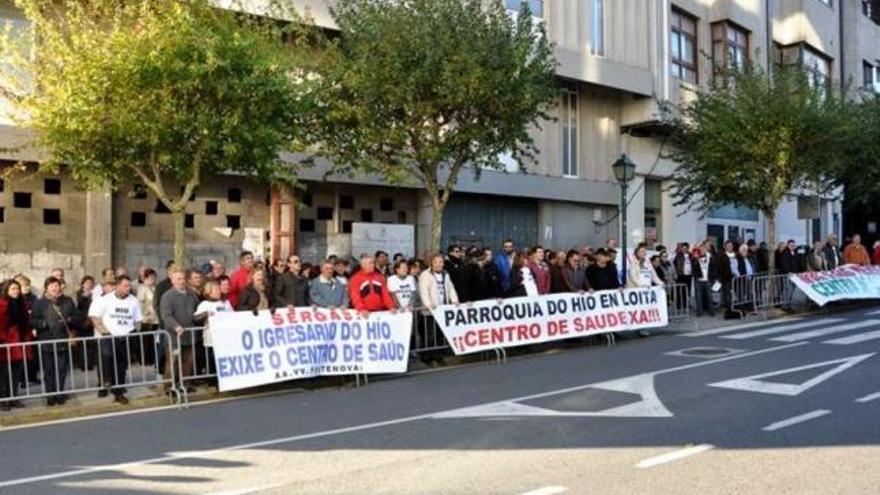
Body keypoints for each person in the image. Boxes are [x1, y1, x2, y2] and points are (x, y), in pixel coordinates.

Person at [88, 275, 141, 405]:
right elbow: (95, 317)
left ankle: (119, 391)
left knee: (122, 366)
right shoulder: (105, 299)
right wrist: (105, 332)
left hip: (125, 336)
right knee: (107, 358)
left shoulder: (133, 301)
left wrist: (134, 331)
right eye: (125, 286)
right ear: (117, 286)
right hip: (108, 335)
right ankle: (106, 381)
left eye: (129, 286)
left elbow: (138, 319)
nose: (128, 288)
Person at [31, 277, 82, 406]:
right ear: (46, 288)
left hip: (62, 341)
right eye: (52, 286)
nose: (55, 288)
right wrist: (44, 323)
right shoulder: (39, 303)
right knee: (48, 370)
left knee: (61, 369)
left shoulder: (67, 301)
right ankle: (50, 395)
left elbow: (78, 316)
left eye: (57, 285)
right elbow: (32, 321)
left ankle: (59, 393)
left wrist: (70, 319)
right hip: (47, 341)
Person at [159, 266, 200, 391]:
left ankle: (185, 384)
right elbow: (166, 315)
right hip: (174, 336)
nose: (181, 281)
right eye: (178, 279)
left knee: (187, 362)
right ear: (172, 280)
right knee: (172, 363)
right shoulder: (167, 296)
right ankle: (169, 387)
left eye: (183, 278)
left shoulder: (192, 294)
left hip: (189, 333)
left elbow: (197, 311)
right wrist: (176, 326)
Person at [193, 280, 233, 382]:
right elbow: (195, 317)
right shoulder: (205, 304)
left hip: (225, 338)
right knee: (211, 361)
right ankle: (212, 382)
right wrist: (205, 314)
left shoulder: (226, 303)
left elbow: (234, 315)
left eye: (219, 289)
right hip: (211, 339)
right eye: (216, 290)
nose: (219, 291)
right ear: (209, 292)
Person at [0, 280, 29, 410]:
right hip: (5, 342)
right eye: (13, 289)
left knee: (16, 372)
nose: (16, 291)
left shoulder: (21, 303)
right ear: (6, 290)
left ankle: (13, 398)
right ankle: (3, 399)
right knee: (4, 373)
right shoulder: (2, 304)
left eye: (17, 288)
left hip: (18, 341)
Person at [693, 243, 717, 317]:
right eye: (701, 249)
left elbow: (713, 268)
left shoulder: (710, 256)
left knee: (709, 296)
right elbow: (693, 267)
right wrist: (695, 259)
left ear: (706, 249)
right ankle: (699, 312)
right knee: (698, 297)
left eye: (704, 249)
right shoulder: (695, 256)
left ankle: (711, 311)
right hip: (699, 280)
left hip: (708, 279)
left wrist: (713, 277)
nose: (702, 250)